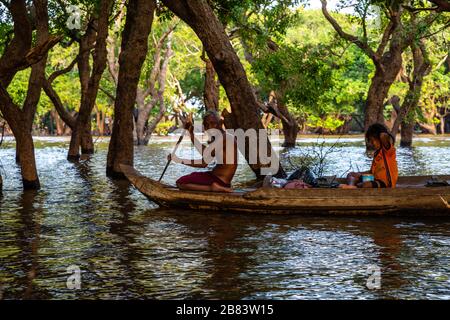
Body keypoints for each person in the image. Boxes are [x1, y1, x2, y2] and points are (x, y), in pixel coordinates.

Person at [169, 111, 238, 193]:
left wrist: (178, 160)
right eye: (206, 125)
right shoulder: (221, 138)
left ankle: (212, 188)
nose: (209, 127)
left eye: (213, 123)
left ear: (220, 123)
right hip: (218, 178)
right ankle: (214, 187)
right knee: (191, 176)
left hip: (219, 180)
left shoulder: (224, 138)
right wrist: (191, 134)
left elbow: (203, 163)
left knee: (181, 182)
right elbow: (205, 158)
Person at [340, 123, 398, 189]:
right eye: (370, 141)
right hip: (374, 179)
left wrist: (379, 132)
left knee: (365, 185)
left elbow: (383, 136)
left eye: (373, 140)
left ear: (379, 138)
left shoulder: (388, 151)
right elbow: (371, 172)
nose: (372, 143)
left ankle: (353, 188)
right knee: (351, 175)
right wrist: (358, 173)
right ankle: (350, 187)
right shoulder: (377, 154)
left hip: (385, 183)